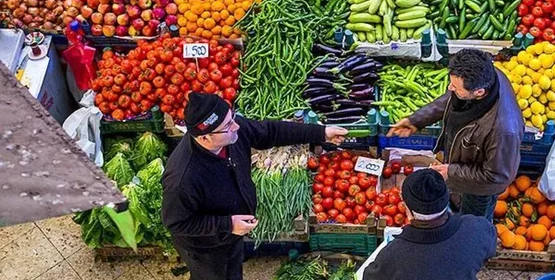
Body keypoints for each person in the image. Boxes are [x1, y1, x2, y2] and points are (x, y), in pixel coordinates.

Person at [161, 92, 348, 280]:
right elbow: (177, 223)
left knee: (233, 271)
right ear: (205, 138)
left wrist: (321, 132)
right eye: (227, 126)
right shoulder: (182, 178)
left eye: (232, 117)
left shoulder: (231, 134)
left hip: (231, 234)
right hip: (205, 247)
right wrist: (228, 224)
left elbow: (270, 131)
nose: (236, 126)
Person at [389, 48, 524, 220]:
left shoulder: (503, 131)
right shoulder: (486, 75)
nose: (449, 88)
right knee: (458, 201)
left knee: (473, 221)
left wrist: (451, 172)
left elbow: (497, 177)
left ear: (479, 93)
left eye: (455, 86)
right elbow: (451, 99)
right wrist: (417, 120)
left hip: (480, 189)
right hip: (465, 163)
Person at [361, 169, 496, 280]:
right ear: (446, 198)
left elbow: (369, 277)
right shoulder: (478, 229)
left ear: (407, 209)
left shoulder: (392, 256)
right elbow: (489, 251)